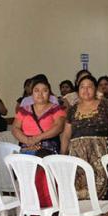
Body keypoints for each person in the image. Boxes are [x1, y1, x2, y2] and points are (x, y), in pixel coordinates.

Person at [61, 75, 108, 200]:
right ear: (78, 90)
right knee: (81, 193)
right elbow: (66, 135)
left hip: (101, 154)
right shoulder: (72, 110)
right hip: (78, 156)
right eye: (82, 87)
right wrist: (63, 155)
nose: (86, 90)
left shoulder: (106, 105)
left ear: (96, 89)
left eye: (90, 87)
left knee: (104, 194)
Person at [12, 76, 65, 209]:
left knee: (42, 170)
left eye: (44, 90)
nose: (40, 94)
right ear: (31, 93)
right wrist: (28, 140)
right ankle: (31, 208)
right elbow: (15, 128)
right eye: (36, 90)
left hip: (48, 146)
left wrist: (38, 138)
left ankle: (48, 206)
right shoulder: (24, 109)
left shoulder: (56, 109)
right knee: (25, 174)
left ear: (49, 92)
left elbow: (59, 127)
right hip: (26, 146)